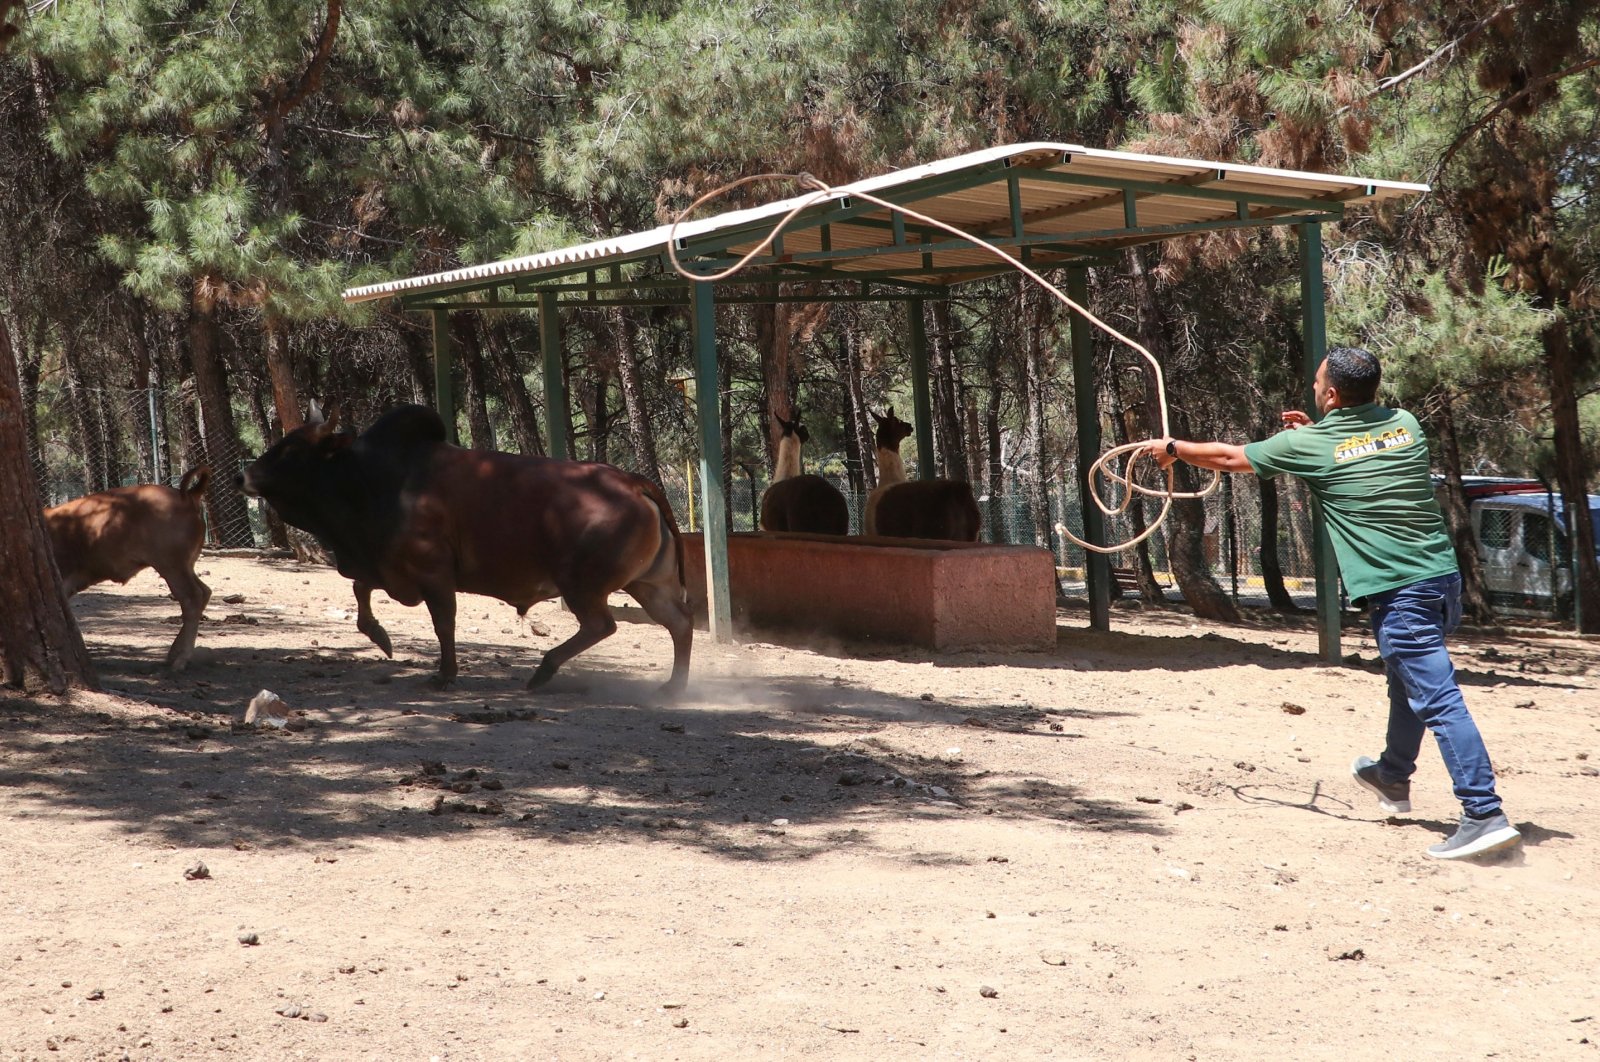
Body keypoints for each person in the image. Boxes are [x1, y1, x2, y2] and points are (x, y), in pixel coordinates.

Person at [1143, 345, 1520, 860]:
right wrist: (1309, 434)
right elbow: (1354, 449)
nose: (1316, 389)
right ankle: (1391, 775)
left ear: (1333, 394)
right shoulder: (1405, 424)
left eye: (1320, 384)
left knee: (1438, 699)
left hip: (1399, 589)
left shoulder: (1314, 443)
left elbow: (1232, 458)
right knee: (1405, 681)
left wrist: (1174, 448)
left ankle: (1483, 813)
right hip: (1441, 581)